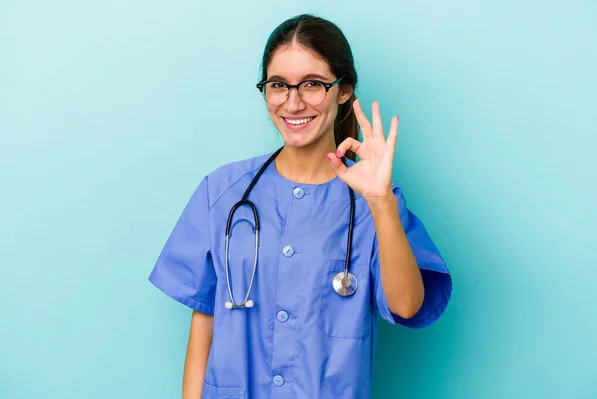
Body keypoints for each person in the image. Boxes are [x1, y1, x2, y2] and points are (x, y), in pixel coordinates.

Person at [148, 13, 452, 399]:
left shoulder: (376, 201)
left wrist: (381, 202)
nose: (293, 103)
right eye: (278, 85)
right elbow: (204, 322)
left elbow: (407, 306)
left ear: (344, 91)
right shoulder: (222, 192)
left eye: (312, 84)